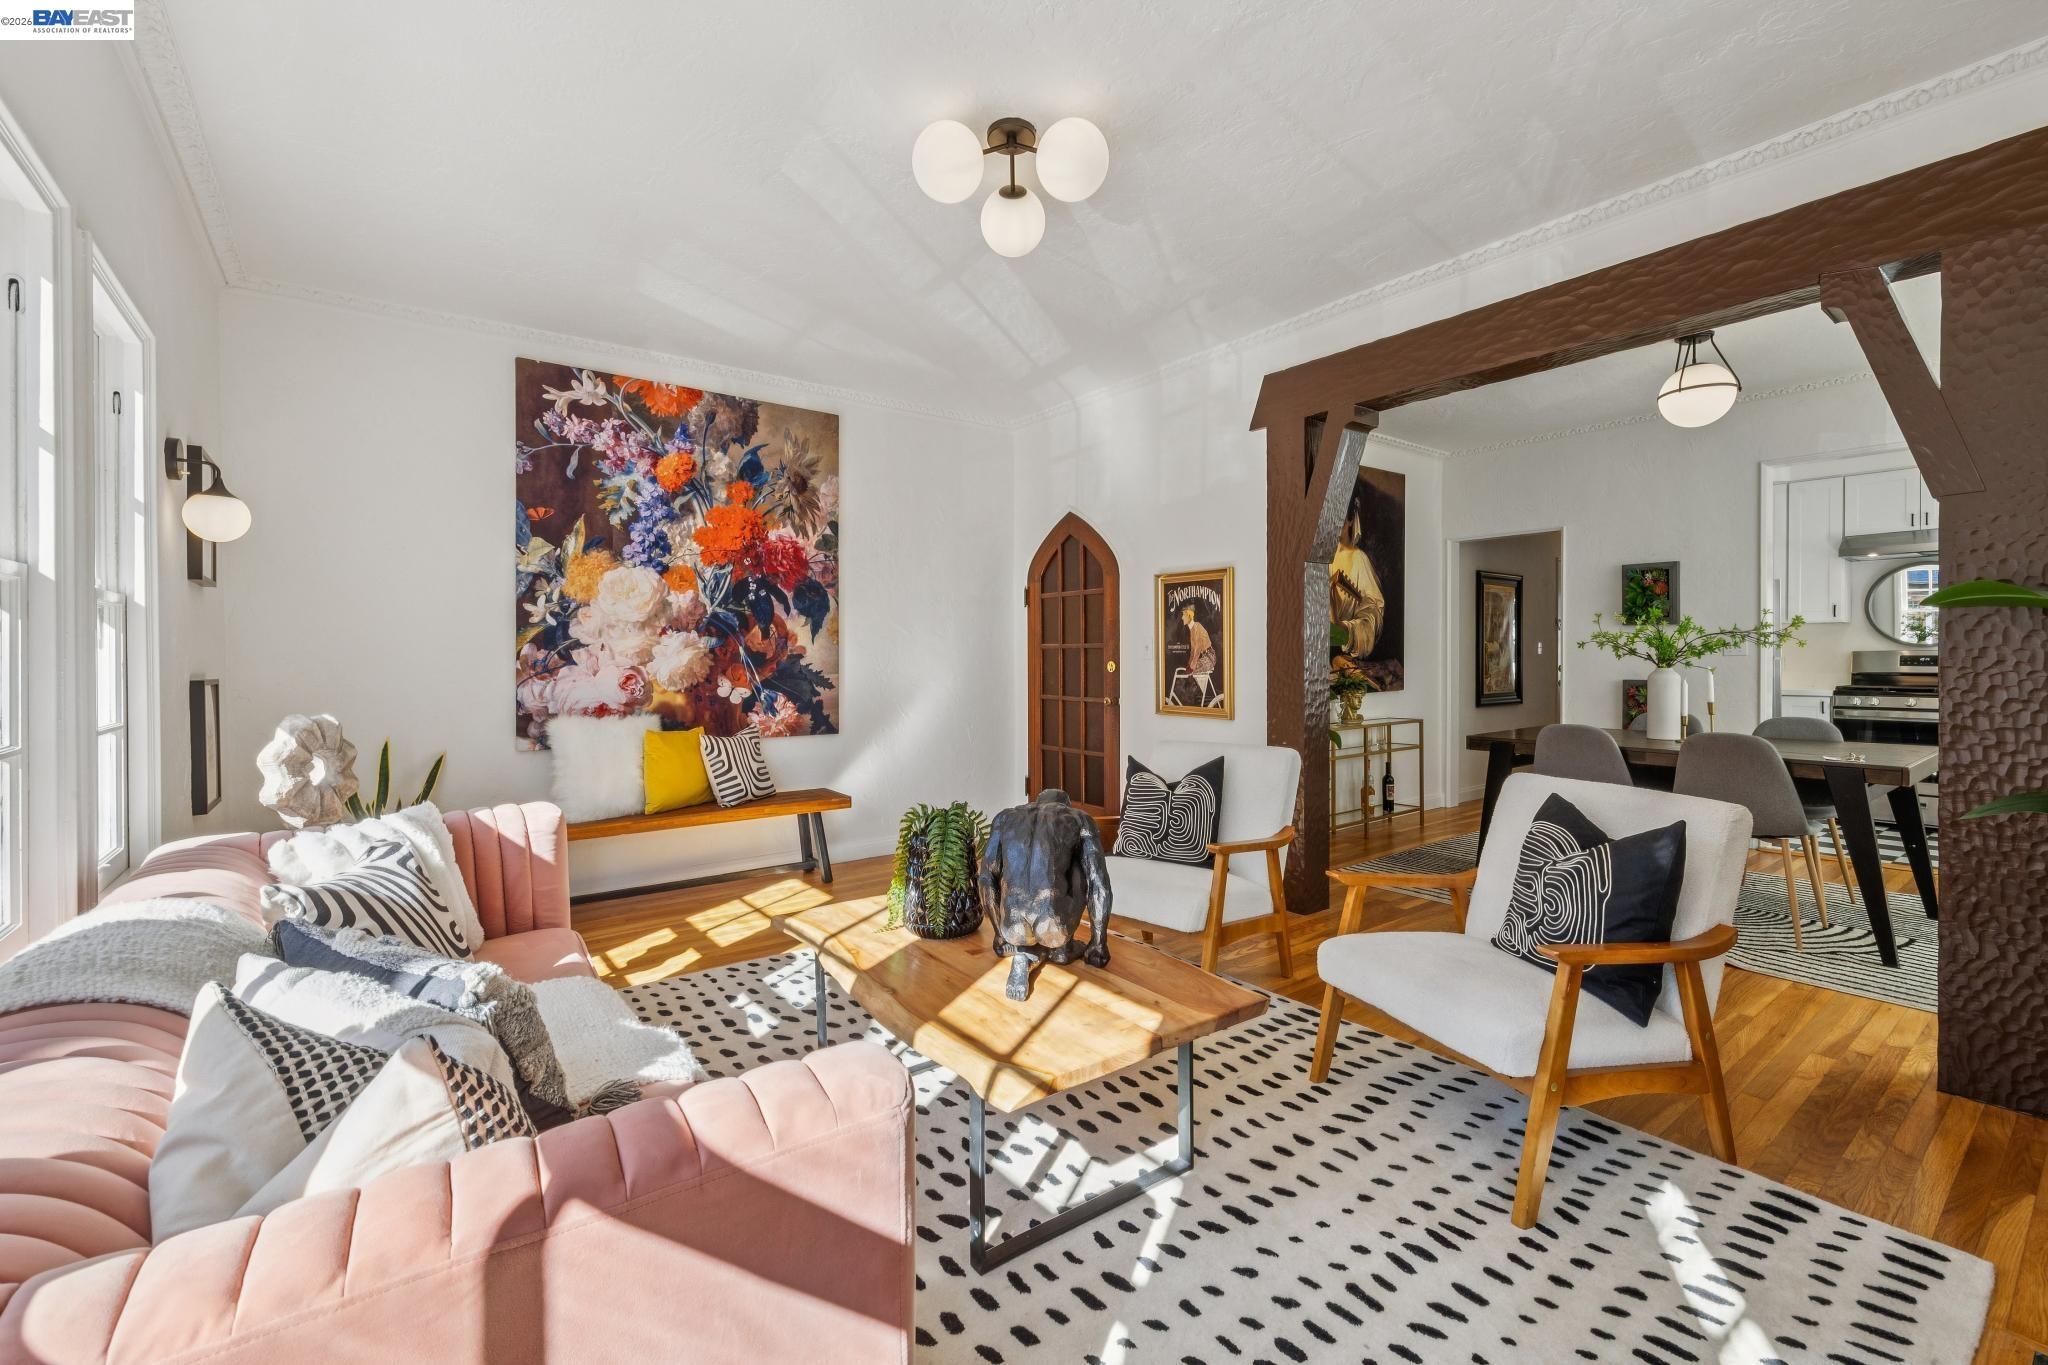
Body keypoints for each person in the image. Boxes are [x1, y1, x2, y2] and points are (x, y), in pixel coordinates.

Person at [1329, 508, 1385, 657]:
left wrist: (1344, 628)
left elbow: (1373, 614)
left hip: (1342, 651)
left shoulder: (1359, 559)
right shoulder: (1322, 557)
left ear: (1350, 520)